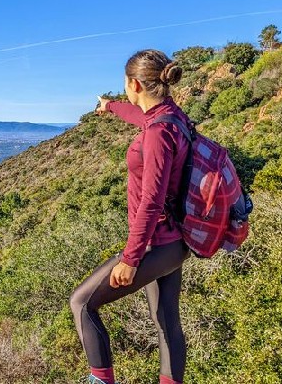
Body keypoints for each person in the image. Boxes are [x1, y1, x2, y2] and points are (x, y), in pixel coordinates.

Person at [69, 49, 192, 384]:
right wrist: (109, 106)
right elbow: (140, 117)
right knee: (166, 318)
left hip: (157, 243)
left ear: (134, 83)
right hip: (176, 239)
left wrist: (131, 257)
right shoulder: (170, 117)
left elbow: (151, 201)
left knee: (82, 303)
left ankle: (101, 380)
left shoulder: (157, 134)